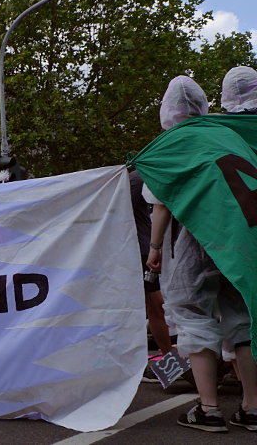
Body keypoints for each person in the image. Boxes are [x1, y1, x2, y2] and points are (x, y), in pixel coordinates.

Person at [145, 75, 257, 432]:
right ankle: (252, 407)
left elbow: (161, 203)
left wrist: (155, 248)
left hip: (196, 238)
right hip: (239, 239)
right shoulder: (229, 134)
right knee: (242, 320)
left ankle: (208, 409)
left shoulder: (174, 143)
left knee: (193, 316)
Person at [129, 170, 172, 358]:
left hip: (145, 249)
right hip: (142, 250)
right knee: (155, 305)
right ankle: (169, 358)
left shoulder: (142, 177)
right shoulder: (138, 179)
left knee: (156, 305)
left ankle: (169, 357)